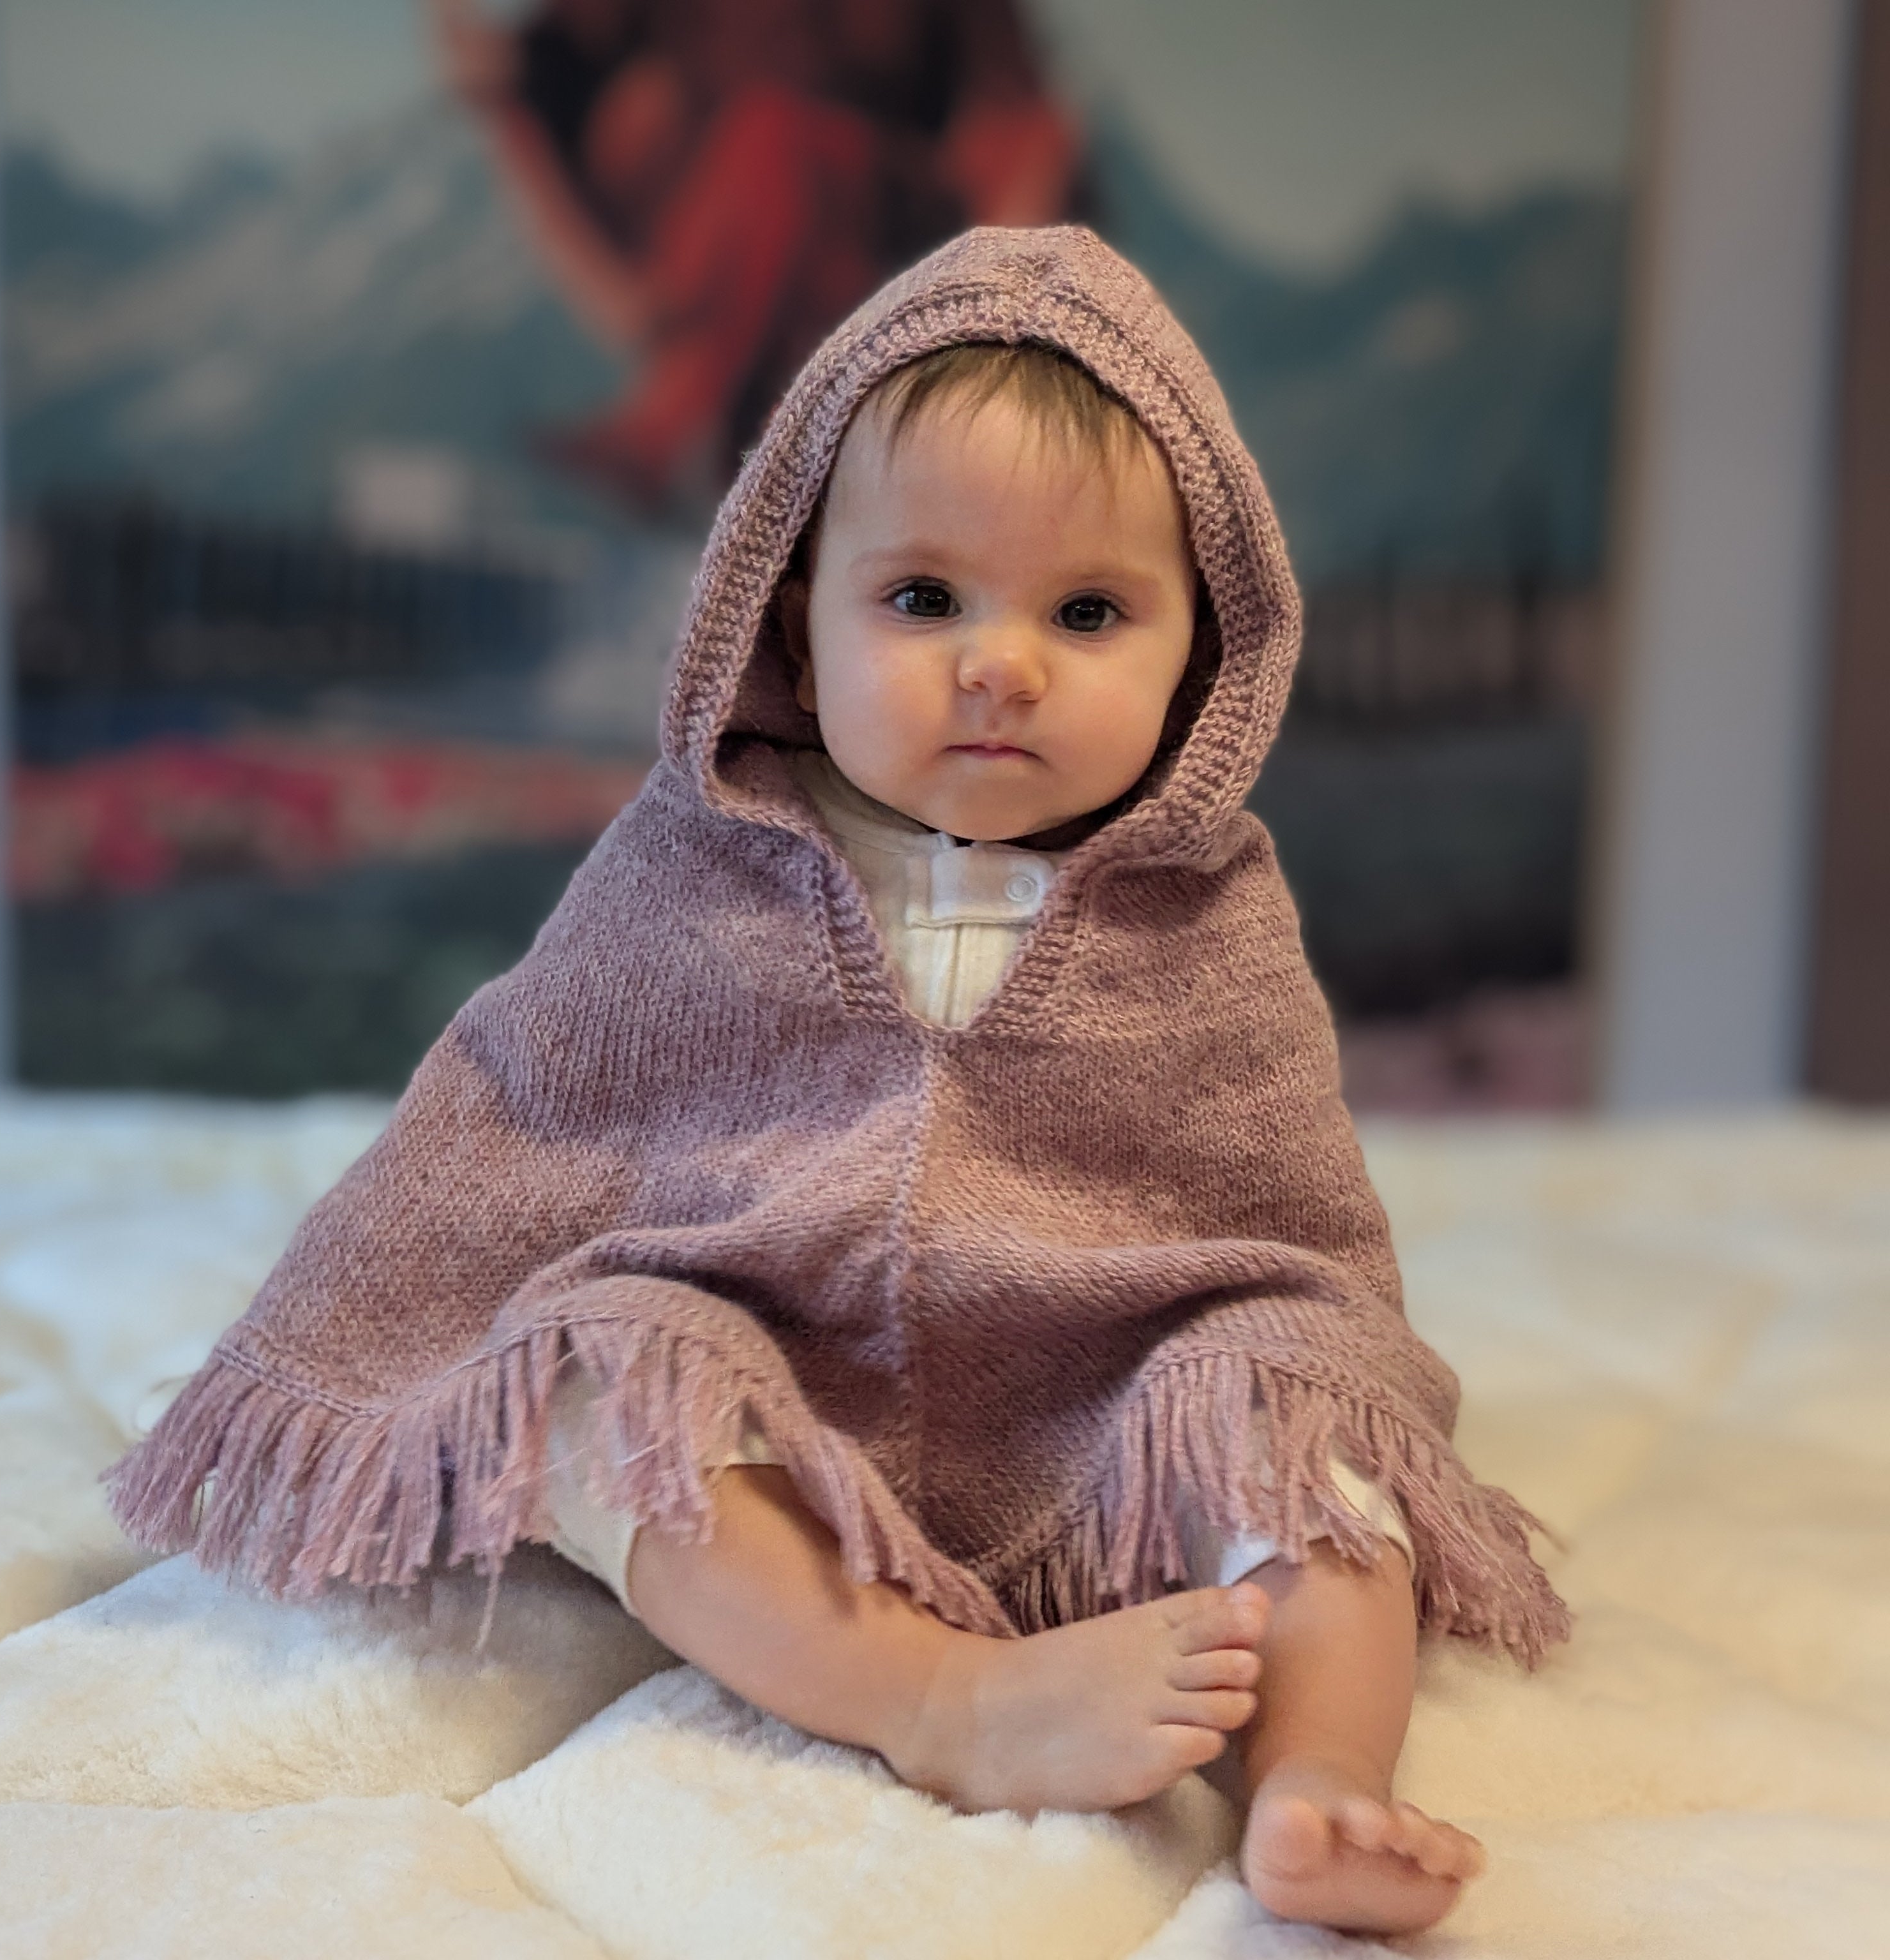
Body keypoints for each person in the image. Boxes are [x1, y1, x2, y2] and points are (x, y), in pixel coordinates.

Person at [108, 226, 1568, 1938]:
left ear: (1203, 655)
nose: (999, 662)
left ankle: (1322, 1777)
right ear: (795, 614)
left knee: (1306, 1428)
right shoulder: (701, 866)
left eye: (1088, 611)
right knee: (603, 1389)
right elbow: (524, 1123)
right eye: (925, 597)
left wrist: (1282, 1371)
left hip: (1117, 1388)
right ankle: (925, 1693)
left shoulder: (1202, 907)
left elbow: (1278, 1223)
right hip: (764, 1360)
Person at [428, 0, 1080, 510]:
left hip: (881, 219)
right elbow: (555, 60)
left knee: (772, 138)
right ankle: (704, 408)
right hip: (730, 240)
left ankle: (671, 418)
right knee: (676, 127)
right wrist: (505, 97)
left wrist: (974, 308)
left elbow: (1020, 120)